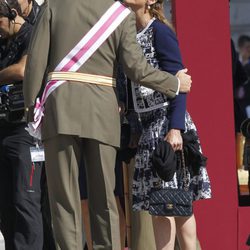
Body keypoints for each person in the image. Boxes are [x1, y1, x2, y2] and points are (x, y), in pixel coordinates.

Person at [23, 0, 191, 249]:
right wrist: (173, 84)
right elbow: (137, 68)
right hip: (102, 113)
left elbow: (35, 63)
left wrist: (31, 110)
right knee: (104, 198)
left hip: (60, 111)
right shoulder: (119, 14)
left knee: (64, 201)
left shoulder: (54, 6)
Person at [122, 0, 211, 249]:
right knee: (161, 203)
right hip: (147, 128)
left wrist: (175, 128)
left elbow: (180, 85)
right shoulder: (128, 35)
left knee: (177, 201)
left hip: (167, 125)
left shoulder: (160, 31)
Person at [0, 0, 44, 249]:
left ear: (12, 14)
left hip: (26, 132)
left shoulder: (32, 33)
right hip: (3, 130)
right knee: (6, 203)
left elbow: (22, 70)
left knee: (24, 200)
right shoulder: (2, 40)